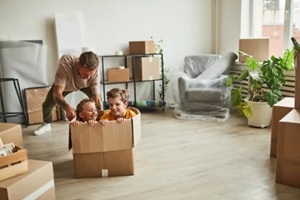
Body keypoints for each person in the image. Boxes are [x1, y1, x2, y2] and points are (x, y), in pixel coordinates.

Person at [33, 51, 103, 135]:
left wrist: (97, 103)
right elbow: (57, 94)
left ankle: (100, 123)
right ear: (78, 64)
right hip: (66, 85)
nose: (88, 77)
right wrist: (67, 107)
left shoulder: (94, 69)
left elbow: (95, 88)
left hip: (86, 86)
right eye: (85, 74)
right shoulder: (66, 63)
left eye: (91, 75)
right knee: (47, 105)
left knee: (99, 102)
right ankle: (46, 123)